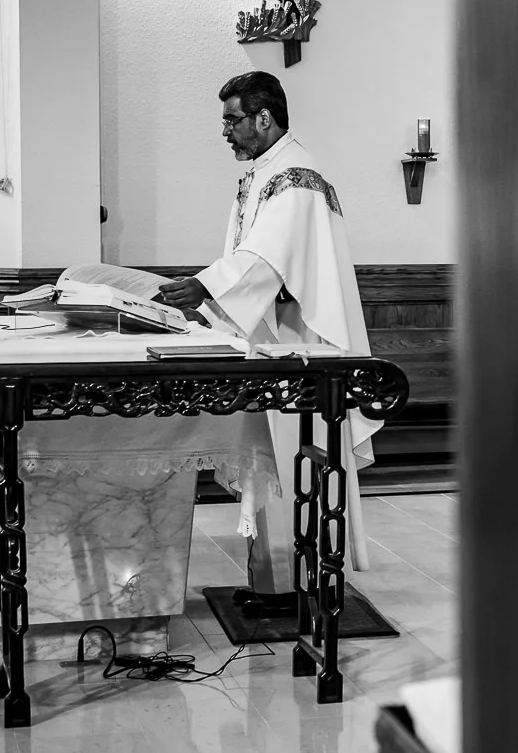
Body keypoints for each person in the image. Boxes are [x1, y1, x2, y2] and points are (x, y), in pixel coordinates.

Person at [151, 71, 378, 606]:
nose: (225, 131)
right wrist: (208, 292)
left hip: (300, 347)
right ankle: (275, 580)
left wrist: (204, 287)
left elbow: (266, 261)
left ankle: (300, 584)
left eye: (232, 120)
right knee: (271, 459)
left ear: (263, 118)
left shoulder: (296, 179)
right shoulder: (265, 173)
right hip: (272, 341)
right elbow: (248, 256)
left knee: (293, 458)